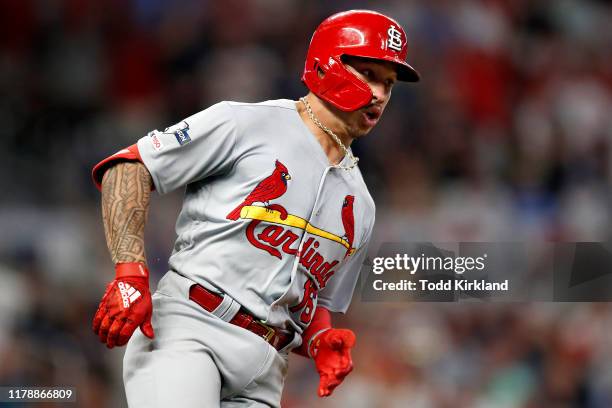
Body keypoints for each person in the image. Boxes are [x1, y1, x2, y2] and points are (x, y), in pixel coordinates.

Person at [91, 9, 419, 407]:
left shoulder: (361, 205)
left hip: (266, 367)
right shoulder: (246, 123)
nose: (381, 94)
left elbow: (312, 304)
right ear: (327, 65)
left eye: (388, 84)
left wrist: (320, 341)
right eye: (369, 74)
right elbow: (128, 168)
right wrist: (130, 272)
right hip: (191, 329)